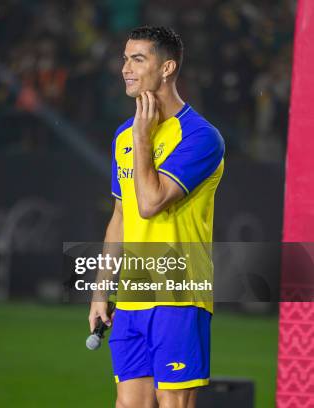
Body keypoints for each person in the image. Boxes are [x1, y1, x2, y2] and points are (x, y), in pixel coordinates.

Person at [88, 26, 224, 408]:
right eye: (124, 58)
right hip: (132, 297)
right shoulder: (123, 136)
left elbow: (150, 202)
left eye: (137, 59)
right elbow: (121, 215)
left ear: (167, 67)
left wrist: (144, 138)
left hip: (179, 296)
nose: (125, 68)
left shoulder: (201, 137)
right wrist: (102, 290)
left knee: (173, 403)